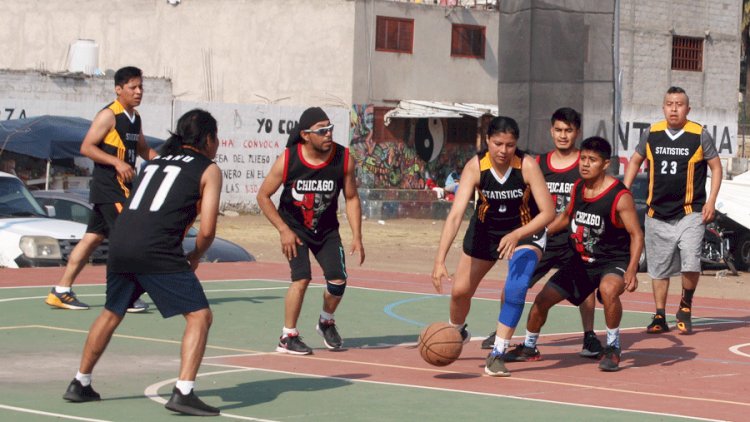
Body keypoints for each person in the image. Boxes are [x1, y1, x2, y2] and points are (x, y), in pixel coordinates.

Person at [62, 109, 223, 416]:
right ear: (207, 139)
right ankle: (184, 392)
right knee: (199, 316)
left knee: (111, 312)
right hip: (157, 247)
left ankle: (80, 382)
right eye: (216, 138)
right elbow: (208, 229)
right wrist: (195, 256)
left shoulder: (155, 163)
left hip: (121, 240)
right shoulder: (209, 169)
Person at [503, 137, 643, 372]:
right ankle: (529, 347)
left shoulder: (620, 196)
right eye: (584, 159)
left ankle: (613, 347)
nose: (585, 164)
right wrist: (541, 232)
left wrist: (632, 269)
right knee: (541, 301)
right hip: (582, 262)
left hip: (612, 262)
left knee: (608, 290)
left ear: (605, 163)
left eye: (593, 160)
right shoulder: (579, 187)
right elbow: (566, 217)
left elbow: (637, 234)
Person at [431, 116, 555, 377]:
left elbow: (548, 213)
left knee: (516, 287)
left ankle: (498, 352)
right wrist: (439, 260)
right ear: (487, 140)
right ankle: (457, 330)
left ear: (516, 144)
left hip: (525, 232)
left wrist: (517, 234)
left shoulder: (527, 166)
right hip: (485, 232)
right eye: (498, 143)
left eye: (510, 145)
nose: (503, 150)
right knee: (460, 292)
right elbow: (455, 215)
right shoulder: (476, 167)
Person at [481, 107, 603, 357]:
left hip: (572, 239)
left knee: (586, 291)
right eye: (558, 130)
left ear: (577, 133)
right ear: (551, 131)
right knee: (513, 284)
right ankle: (502, 331)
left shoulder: (585, 164)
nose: (563, 135)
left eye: (568, 130)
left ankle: (589, 336)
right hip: (541, 239)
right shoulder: (537, 163)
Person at [44, 66, 157, 312]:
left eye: (141, 87)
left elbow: (144, 150)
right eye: (133, 87)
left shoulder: (134, 118)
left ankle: (61, 291)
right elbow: (87, 147)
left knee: (92, 239)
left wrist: (167, 163)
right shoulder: (108, 115)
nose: (138, 92)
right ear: (118, 89)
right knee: (127, 240)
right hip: (110, 188)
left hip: (122, 188)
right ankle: (124, 295)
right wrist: (116, 162)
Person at [257, 106, 365, 355]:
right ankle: (287, 336)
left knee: (338, 281)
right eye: (322, 130)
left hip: (326, 230)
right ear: (305, 135)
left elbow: (351, 198)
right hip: (294, 229)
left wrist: (357, 235)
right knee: (302, 277)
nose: (329, 134)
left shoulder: (343, 158)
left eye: (330, 128)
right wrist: (283, 229)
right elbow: (263, 195)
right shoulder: (289, 159)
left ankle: (326, 321)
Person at [623, 86, 722, 335]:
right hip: (656, 213)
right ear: (663, 107)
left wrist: (711, 201)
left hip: (690, 212)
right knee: (659, 268)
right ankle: (659, 315)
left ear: (688, 109)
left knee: (691, 260)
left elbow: (717, 167)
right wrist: (623, 191)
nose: (674, 108)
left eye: (679, 104)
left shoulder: (698, 134)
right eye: (669, 103)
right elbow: (635, 160)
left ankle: (685, 305)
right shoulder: (652, 132)